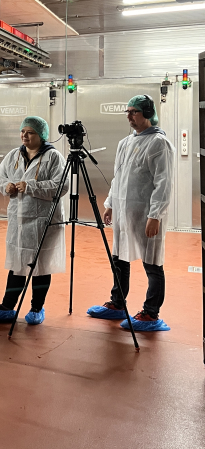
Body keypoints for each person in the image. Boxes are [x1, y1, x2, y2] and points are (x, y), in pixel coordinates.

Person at [87, 94, 174, 332]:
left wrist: (155, 215)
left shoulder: (159, 143)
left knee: (152, 263)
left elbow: (164, 183)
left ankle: (151, 313)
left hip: (146, 214)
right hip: (124, 212)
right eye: (127, 112)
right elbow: (118, 177)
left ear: (148, 113)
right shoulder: (125, 143)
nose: (129, 116)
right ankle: (117, 303)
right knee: (120, 258)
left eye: (134, 111)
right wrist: (110, 204)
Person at [0, 116, 68, 326]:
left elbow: (61, 185)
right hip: (19, 219)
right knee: (17, 264)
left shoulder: (53, 157)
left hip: (44, 220)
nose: (25, 136)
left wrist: (31, 187)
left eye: (30, 132)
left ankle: (37, 308)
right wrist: (6, 186)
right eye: (23, 132)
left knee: (41, 265)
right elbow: (0, 176)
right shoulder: (14, 155)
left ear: (41, 135)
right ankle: (7, 307)